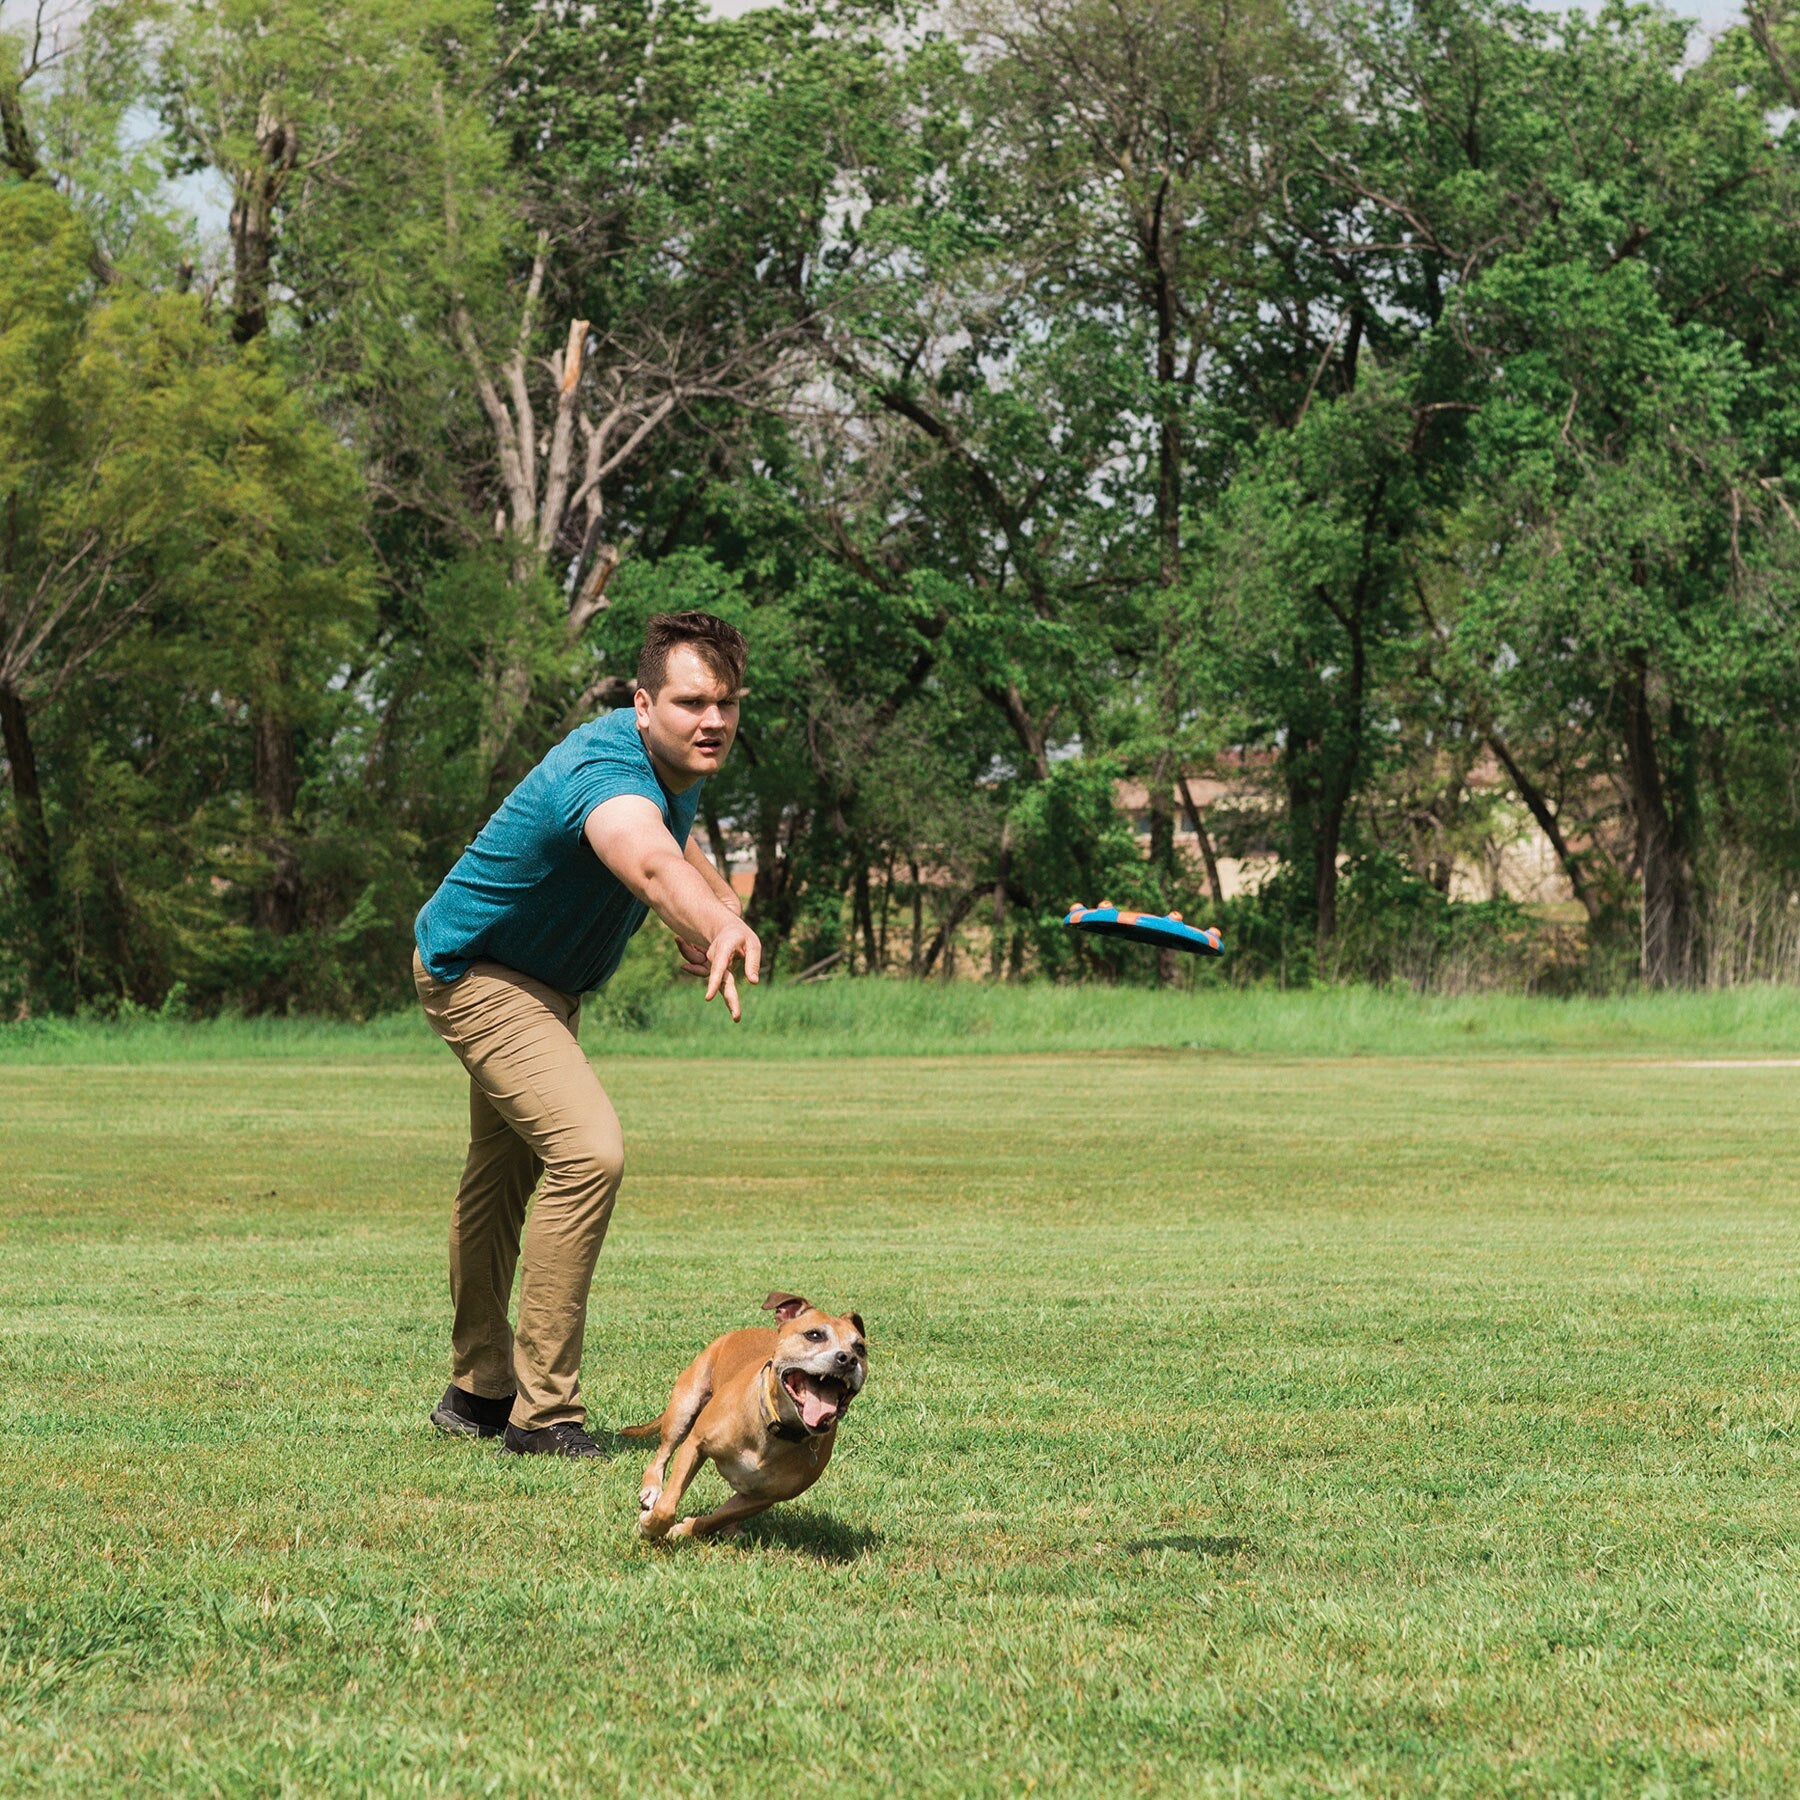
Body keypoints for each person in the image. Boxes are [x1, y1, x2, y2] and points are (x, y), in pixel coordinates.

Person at [411, 610, 760, 1457]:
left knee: (499, 1183)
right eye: (689, 702)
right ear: (642, 704)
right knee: (588, 1151)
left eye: (727, 702)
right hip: (478, 970)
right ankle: (544, 1416)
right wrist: (711, 927)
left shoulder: (678, 765)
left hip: (549, 988)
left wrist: (716, 910)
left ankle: (478, 1390)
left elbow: (675, 847)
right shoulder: (605, 768)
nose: (712, 720)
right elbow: (643, 856)